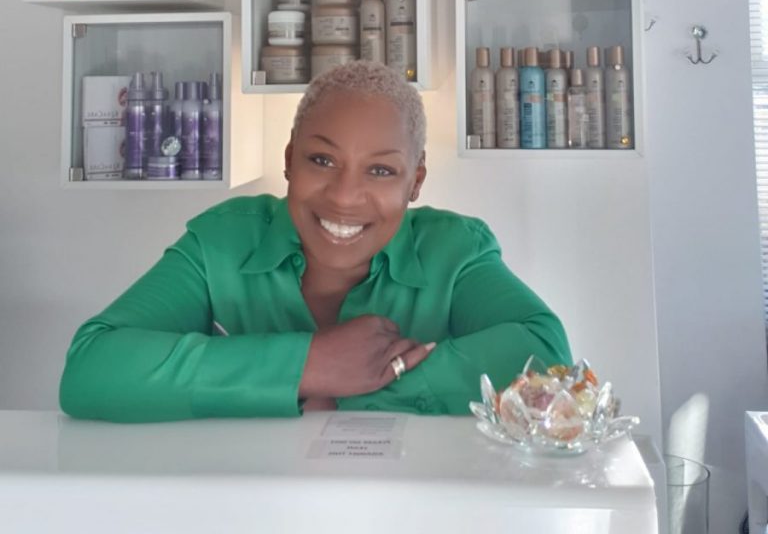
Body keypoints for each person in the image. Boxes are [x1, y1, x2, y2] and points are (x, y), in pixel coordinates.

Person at [59, 61, 570, 421]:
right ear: (288, 159)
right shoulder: (222, 241)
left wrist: (347, 391)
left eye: (381, 170)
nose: (345, 196)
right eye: (322, 160)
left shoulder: (454, 250)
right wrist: (308, 365)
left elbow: (544, 356)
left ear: (415, 182)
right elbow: (92, 368)